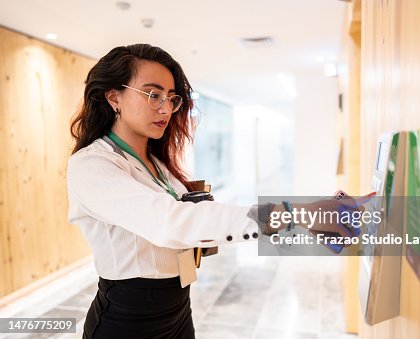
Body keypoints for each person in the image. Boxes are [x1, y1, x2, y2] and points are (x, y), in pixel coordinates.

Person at [67, 43, 357, 339]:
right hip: (127, 320)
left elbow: (197, 221)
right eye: (153, 95)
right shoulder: (92, 165)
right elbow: (171, 222)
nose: (166, 108)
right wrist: (296, 214)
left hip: (178, 308)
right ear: (114, 97)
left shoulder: (156, 161)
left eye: (172, 98)